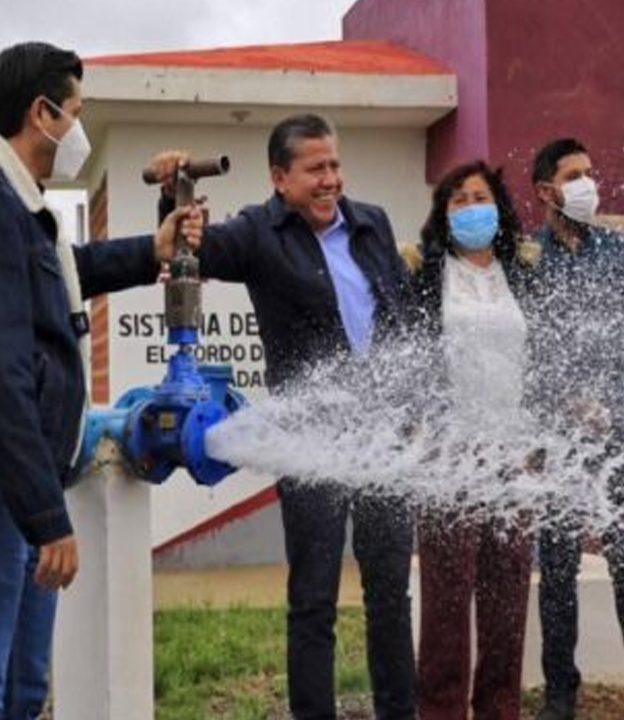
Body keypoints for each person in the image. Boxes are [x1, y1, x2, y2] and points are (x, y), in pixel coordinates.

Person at [0, 42, 203, 720]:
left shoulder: (12, 204)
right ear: (40, 113)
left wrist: (150, 252)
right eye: (74, 111)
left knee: (18, 695)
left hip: (13, 478)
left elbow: (60, 273)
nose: (78, 127)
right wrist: (47, 516)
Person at [154, 113, 416, 720]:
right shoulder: (258, 232)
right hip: (310, 439)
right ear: (280, 177)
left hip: (384, 435)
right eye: (315, 169)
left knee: (389, 597)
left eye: (336, 165)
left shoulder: (371, 222)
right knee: (313, 600)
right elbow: (193, 244)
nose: (331, 180)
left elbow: (401, 316)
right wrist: (175, 196)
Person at [522, 138, 624, 720]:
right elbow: (524, 349)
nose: (589, 183)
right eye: (574, 174)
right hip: (557, 433)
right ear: (546, 191)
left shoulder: (617, 252)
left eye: (591, 172)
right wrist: (564, 399)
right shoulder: (527, 258)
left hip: (618, 431)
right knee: (559, 561)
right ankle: (561, 690)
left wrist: (608, 403)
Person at [407, 160, 538, 720]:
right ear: (443, 214)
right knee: (446, 602)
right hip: (447, 453)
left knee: (508, 597)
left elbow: (548, 357)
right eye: (456, 199)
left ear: (498, 207)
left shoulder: (524, 275)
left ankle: (499, 709)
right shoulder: (425, 277)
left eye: (477, 196)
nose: (468, 206)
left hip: (516, 453)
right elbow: (407, 361)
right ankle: (440, 710)